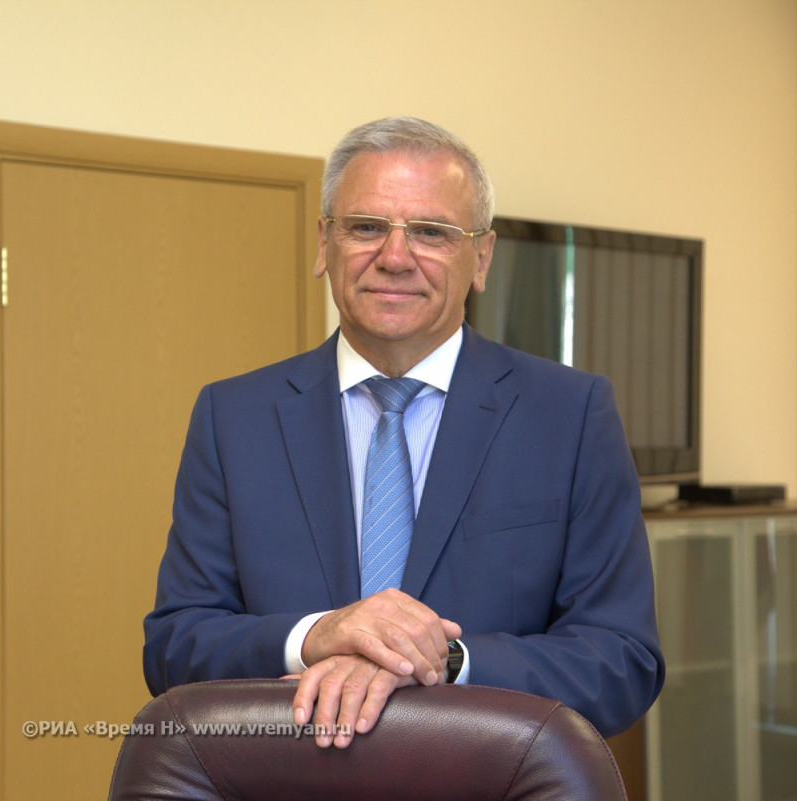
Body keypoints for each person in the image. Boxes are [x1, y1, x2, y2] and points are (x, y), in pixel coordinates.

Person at [143, 116, 664, 748]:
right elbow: (174, 647)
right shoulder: (234, 417)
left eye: (431, 233)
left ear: (481, 258)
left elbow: (621, 660)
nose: (394, 258)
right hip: (288, 777)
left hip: (485, 781)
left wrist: (440, 658)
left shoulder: (571, 415)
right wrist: (316, 636)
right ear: (324, 244)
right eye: (366, 227)